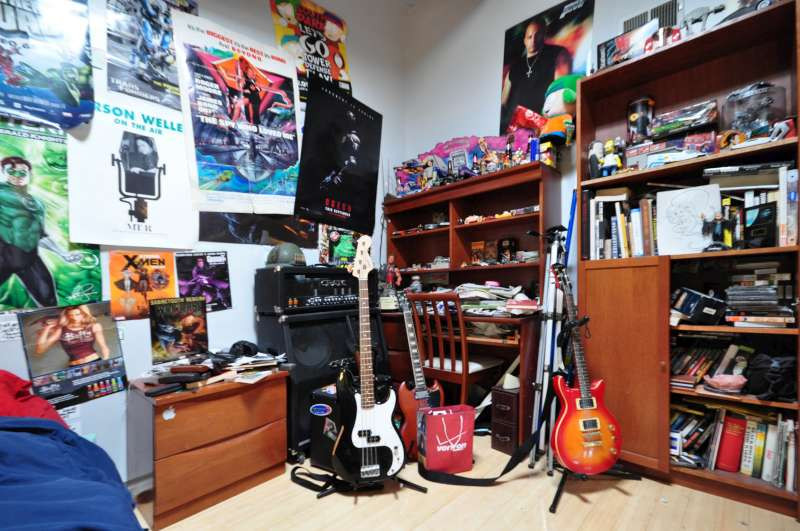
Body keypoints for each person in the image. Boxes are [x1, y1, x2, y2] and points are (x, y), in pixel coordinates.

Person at [0, 156, 81, 307]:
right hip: (3, 257)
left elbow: (40, 235)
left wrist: (63, 253)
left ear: (29, 175)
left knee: (50, 303)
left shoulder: (37, 204)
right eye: (11, 171)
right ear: (2, 172)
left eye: (22, 172)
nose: (17, 176)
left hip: (29, 259)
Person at [501, 20, 571, 132]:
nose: (533, 40)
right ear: (524, 40)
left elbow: (560, 96)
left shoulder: (557, 54)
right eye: (529, 37)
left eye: (537, 35)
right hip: (514, 133)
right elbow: (504, 102)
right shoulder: (514, 67)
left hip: (544, 129)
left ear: (543, 35)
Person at [35, 305, 110, 366]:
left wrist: (105, 360)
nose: (74, 318)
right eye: (71, 315)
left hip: (94, 362)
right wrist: (47, 328)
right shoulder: (61, 330)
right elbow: (40, 350)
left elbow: (104, 347)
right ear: (67, 316)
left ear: (84, 314)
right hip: (75, 367)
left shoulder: (94, 326)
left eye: (77, 314)